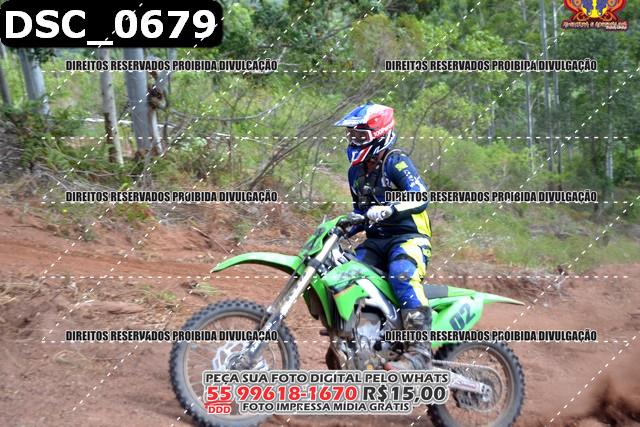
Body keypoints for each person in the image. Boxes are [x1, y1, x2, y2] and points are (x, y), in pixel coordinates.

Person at [335, 102, 433, 370]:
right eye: (352, 135)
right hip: (376, 241)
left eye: (360, 135)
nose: (354, 140)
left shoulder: (396, 161)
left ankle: (420, 352)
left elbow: (421, 196)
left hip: (410, 238)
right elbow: (361, 212)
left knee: (402, 275)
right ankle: (360, 340)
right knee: (346, 275)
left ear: (379, 136)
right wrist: (341, 228)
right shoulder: (356, 172)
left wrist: (391, 208)